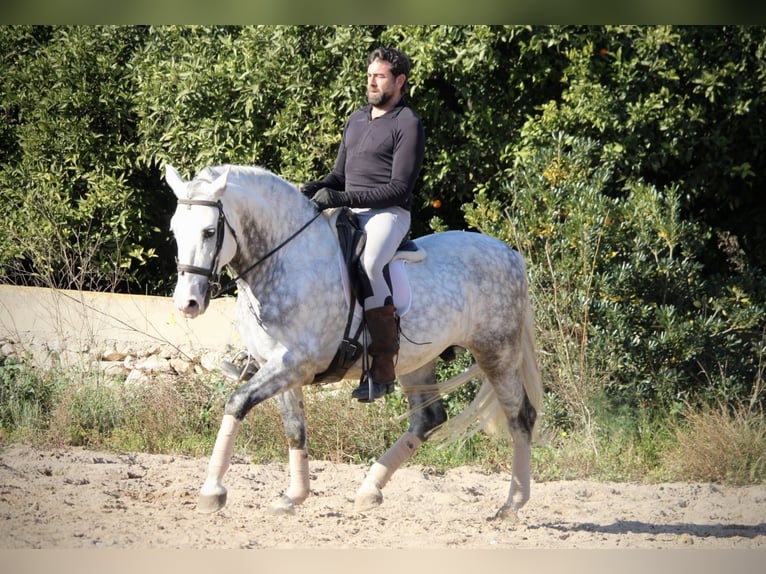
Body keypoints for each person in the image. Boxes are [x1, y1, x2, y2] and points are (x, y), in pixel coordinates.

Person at [301, 47, 426, 402]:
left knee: (370, 264)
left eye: (380, 76)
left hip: (389, 214)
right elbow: (340, 175)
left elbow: (400, 187)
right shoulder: (356, 118)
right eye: (370, 75)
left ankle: (383, 369)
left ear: (399, 81)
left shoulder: (407, 124)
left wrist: (341, 199)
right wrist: (316, 188)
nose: (371, 81)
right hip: (352, 212)